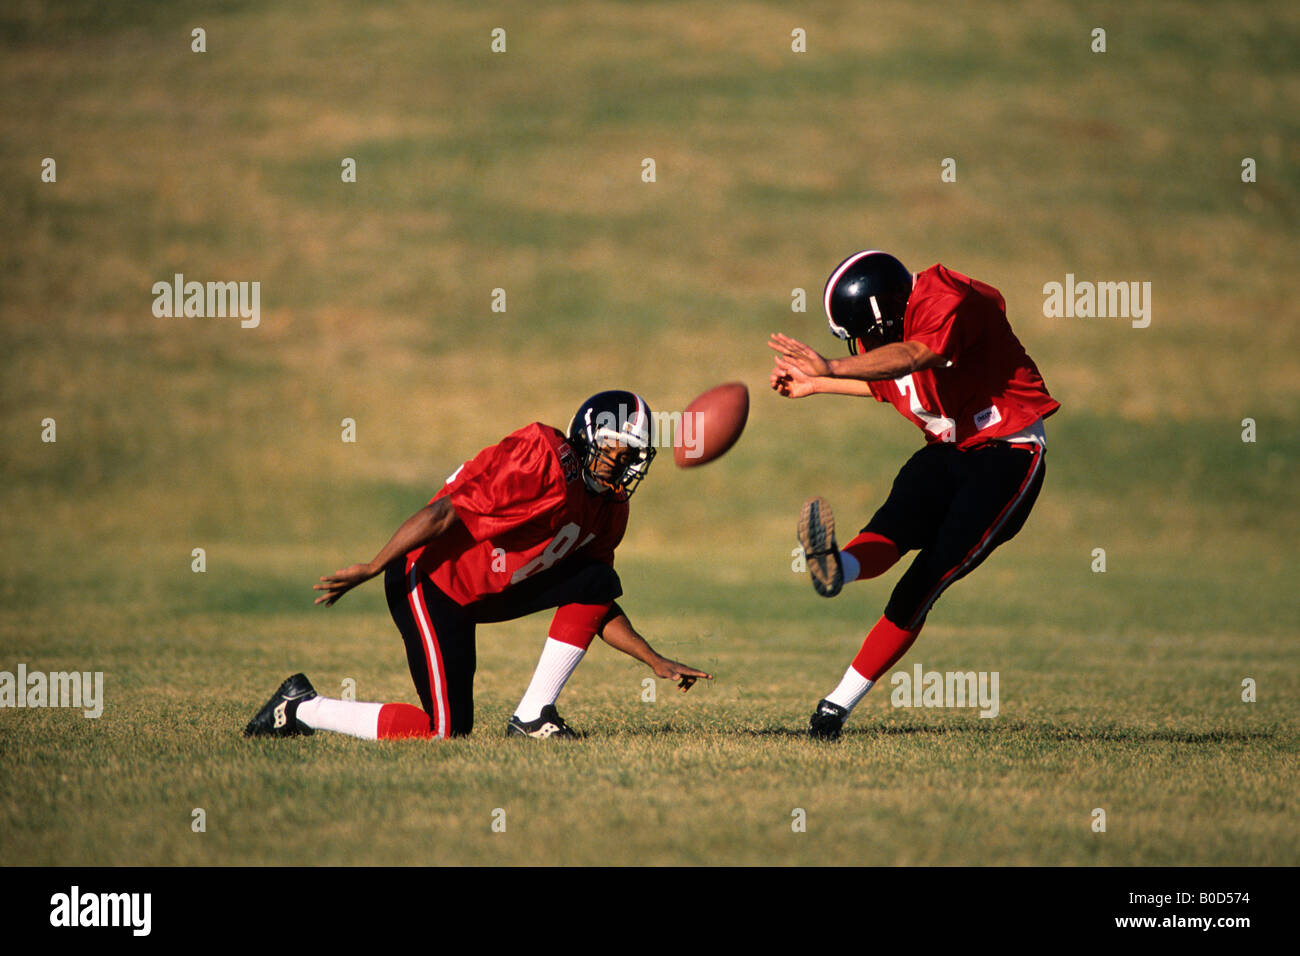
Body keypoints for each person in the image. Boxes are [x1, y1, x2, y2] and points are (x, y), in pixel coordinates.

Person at [243, 390, 712, 742]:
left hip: (488, 589)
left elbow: (595, 598)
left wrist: (653, 659)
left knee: (596, 576)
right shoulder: (544, 462)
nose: (621, 461)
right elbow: (444, 512)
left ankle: (533, 716)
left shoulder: (610, 510)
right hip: (430, 581)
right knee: (445, 732)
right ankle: (302, 708)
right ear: (587, 437)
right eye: (614, 447)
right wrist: (373, 565)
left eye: (632, 454)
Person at [770, 250, 1059, 739]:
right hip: (949, 451)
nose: (860, 343)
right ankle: (837, 568)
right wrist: (816, 383)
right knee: (889, 533)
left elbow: (915, 355)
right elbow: (894, 381)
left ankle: (835, 707)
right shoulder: (905, 330)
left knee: (924, 577)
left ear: (883, 313)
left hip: (1009, 454)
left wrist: (833, 367)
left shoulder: (945, 297)